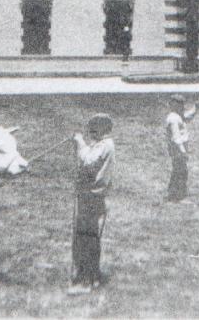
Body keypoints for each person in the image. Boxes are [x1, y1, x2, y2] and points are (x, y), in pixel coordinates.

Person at [68, 113, 115, 295]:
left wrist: (80, 143)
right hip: (92, 195)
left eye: (94, 127)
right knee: (90, 237)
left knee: (84, 238)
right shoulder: (101, 144)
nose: (90, 130)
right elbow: (90, 157)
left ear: (103, 128)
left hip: (91, 196)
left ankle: (85, 280)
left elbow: (88, 162)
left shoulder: (105, 145)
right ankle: (94, 276)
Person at [164, 94, 199, 202]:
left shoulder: (176, 116)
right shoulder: (173, 118)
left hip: (177, 149)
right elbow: (176, 138)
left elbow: (187, 116)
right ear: (174, 105)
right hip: (177, 149)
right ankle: (178, 197)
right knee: (181, 171)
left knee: (178, 170)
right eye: (180, 104)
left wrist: (196, 108)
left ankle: (173, 194)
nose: (182, 106)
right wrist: (183, 152)